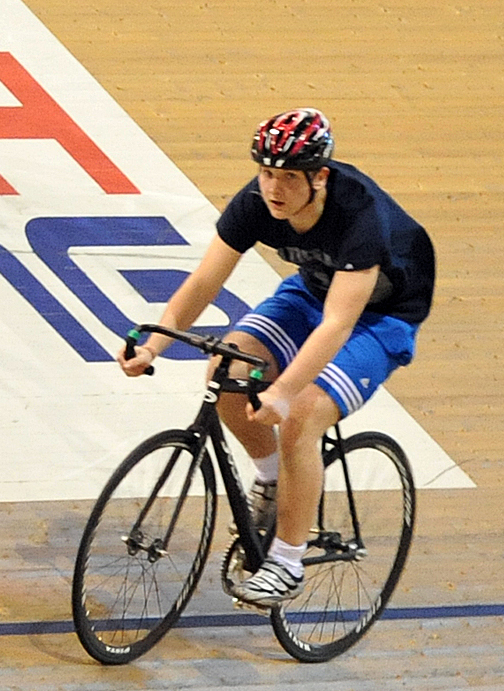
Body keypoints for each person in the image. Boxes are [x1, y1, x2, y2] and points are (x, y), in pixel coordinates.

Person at [114, 107, 437, 608]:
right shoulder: (255, 202)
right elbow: (204, 281)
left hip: (381, 318)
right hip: (311, 292)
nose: (274, 188)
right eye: (266, 173)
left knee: (302, 415)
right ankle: (270, 482)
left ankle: (287, 561)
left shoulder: (359, 217)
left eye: (288, 177)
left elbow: (338, 325)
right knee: (228, 370)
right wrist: (156, 344)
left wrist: (284, 394)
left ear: (320, 177)